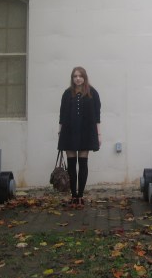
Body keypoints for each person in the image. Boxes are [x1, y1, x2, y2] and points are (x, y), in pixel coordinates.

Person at [57, 66, 101, 207]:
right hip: (69, 132)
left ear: (84, 77)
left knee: (82, 164)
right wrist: (60, 132)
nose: (78, 78)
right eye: (75, 76)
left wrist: (99, 134)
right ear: (72, 78)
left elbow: (97, 116)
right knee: (71, 165)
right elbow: (62, 115)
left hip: (86, 132)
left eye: (80, 76)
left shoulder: (92, 93)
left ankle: (80, 195)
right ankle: (73, 196)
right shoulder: (67, 93)